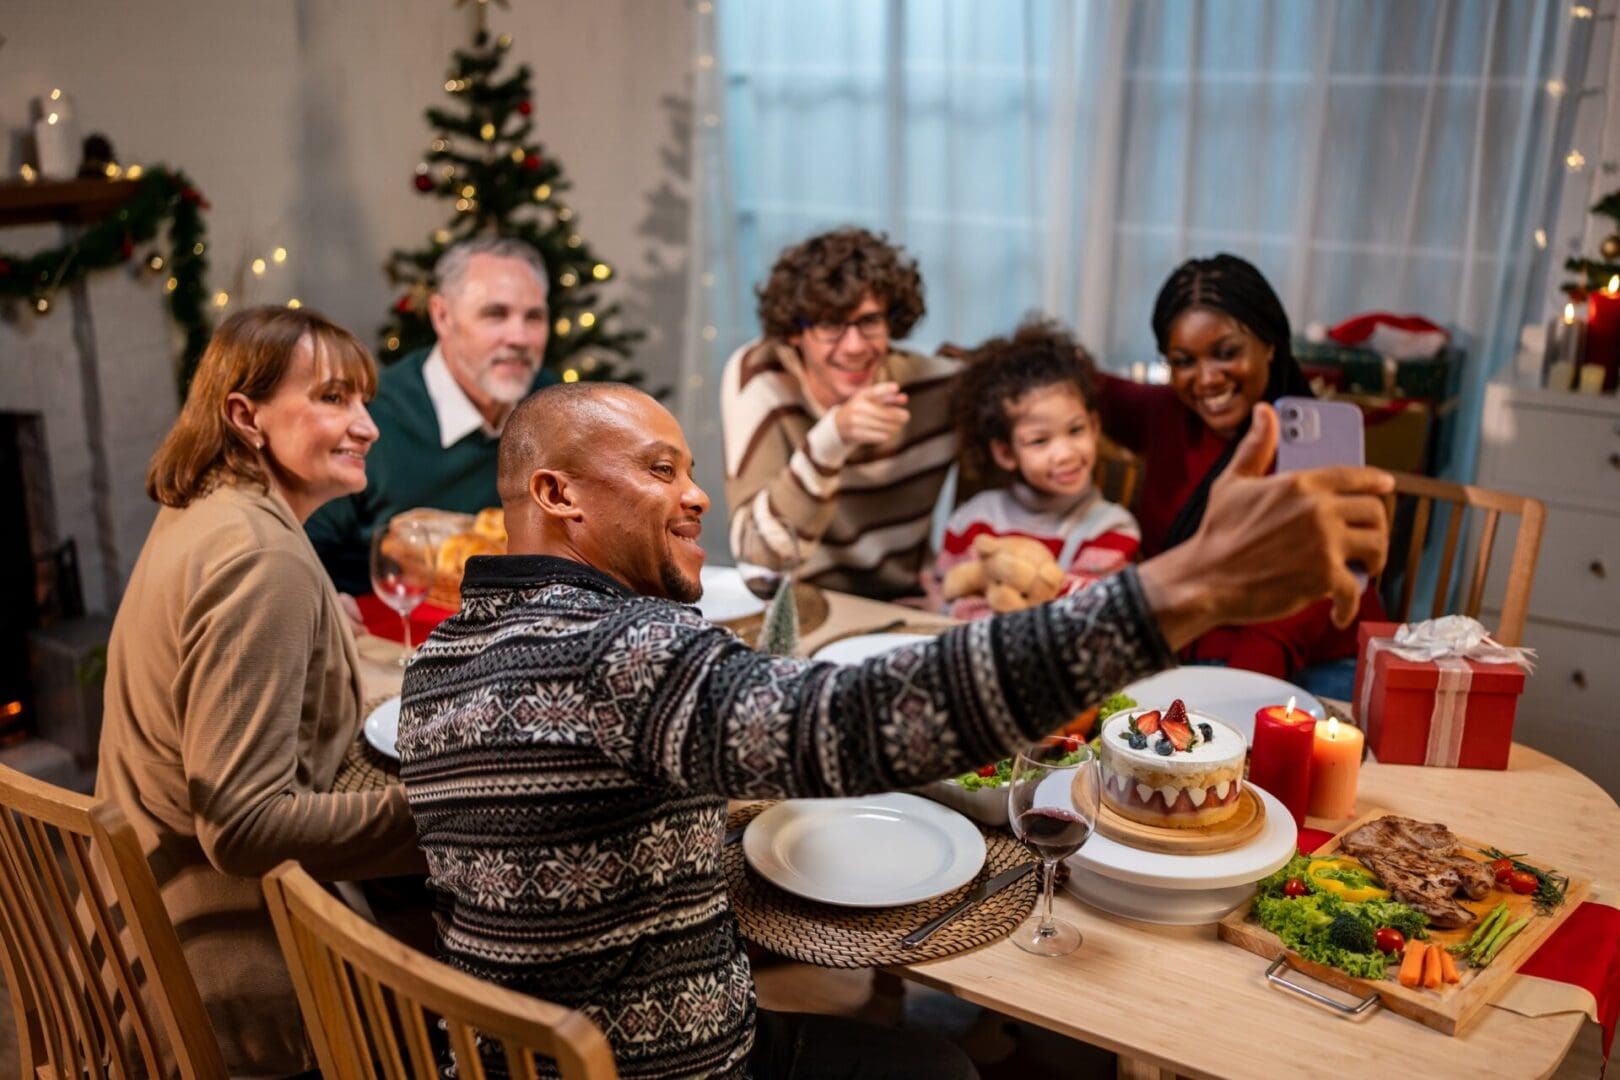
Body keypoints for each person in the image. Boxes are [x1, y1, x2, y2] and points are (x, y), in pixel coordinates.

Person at [398, 381, 1390, 1079]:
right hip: (664, 1066)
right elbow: (846, 723)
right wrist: (1179, 588)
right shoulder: (623, 651)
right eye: (661, 468)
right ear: (556, 493)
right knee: (940, 1067)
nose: (697, 493)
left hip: (517, 1059)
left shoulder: (437, 660)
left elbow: (617, 769)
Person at [97, 307, 426, 1078]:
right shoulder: (259, 559)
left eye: (364, 401)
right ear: (245, 415)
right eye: (334, 399)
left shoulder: (203, 512)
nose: (368, 426)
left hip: (139, 924)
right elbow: (241, 825)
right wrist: (447, 813)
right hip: (228, 975)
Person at [1096, 253, 1383, 679]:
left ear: (1269, 344)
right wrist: (991, 364)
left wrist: (1215, 709)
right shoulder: (1167, 414)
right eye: (1183, 361)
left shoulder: (1318, 447)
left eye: (1226, 353)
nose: (1207, 378)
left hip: (1316, 664)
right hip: (1185, 657)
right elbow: (1078, 383)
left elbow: (1291, 622)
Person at [720, 227, 959, 600]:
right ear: (794, 332)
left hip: (907, 605)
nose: (854, 347)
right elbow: (759, 563)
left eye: (869, 321)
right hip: (800, 605)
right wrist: (832, 440)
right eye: (830, 325)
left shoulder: (937, 389)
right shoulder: (762, 376)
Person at [306, 237, 555, 594]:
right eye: (495, 314)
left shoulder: (555, 410)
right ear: (442, 316)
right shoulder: (370, 414)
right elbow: (306, 549)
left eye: (534, 317)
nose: (519, 337)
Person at [933, 319, 1140, 618]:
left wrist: (971, 608)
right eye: (1040, 441)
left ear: (1094, 427)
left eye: (1076, 430)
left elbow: (1079, 621)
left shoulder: (1111, 529)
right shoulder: (973, 521)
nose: (1065, 453)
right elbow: (948, 596)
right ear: (1005, 453)